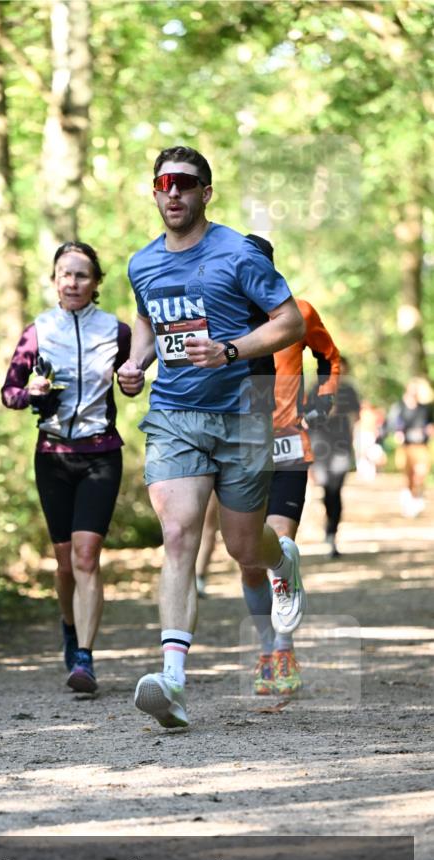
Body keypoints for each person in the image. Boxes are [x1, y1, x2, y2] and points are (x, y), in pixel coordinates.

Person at [117, 146, 306, 729]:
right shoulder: (142, 263)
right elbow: (150, 318)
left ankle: (283, 562)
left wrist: (229, 349)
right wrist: (136, 361)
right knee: (176, 533)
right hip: (175, 410)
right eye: (163, 183)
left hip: (244, 410)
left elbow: (290, 321)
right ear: (154, 192)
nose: (172, 192)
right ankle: (172, 680)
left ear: (205, 192)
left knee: (244, 549)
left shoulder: (238, 253)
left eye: (185, 183)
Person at [196, 238, 341, 696]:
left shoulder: (298, 312)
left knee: (278, 547)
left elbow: (331, 358)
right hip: (241, 446)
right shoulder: (220, 322)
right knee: (248, 560)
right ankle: (265, 643)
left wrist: (322, 403)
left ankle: (282, 649)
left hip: (288, 445)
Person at [1, 241, 131, 694]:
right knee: (63, 566)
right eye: (65, 274)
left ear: (96, 283)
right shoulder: (37, 331)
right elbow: (9, 393)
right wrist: (33, 394)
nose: (72, 282)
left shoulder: (117, 331)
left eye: (81, 275)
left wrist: (132, 380)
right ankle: (69, 628)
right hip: (53, 458)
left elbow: (132, 380)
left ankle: (85, 658)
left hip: (101, 454)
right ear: (54, 280)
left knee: (86, 557)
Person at [308, 356, 360, 557]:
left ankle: (332, 533)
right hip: (320, 448)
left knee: (336, 490)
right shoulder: (315, 389)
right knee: (326, 490)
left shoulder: (349, 391)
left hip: (341, 448)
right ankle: (329, 527)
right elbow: (306, 417)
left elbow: (356, 418)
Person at [387, 377, 434, 517]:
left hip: (421, 446)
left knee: (420, 473)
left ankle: (417, 497)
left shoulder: (425, 408)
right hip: (406, 446)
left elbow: (430, 423)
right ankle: (410, 500)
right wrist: (398, 432)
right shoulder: (400, 407)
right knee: (408, 476)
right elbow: (393, 424)